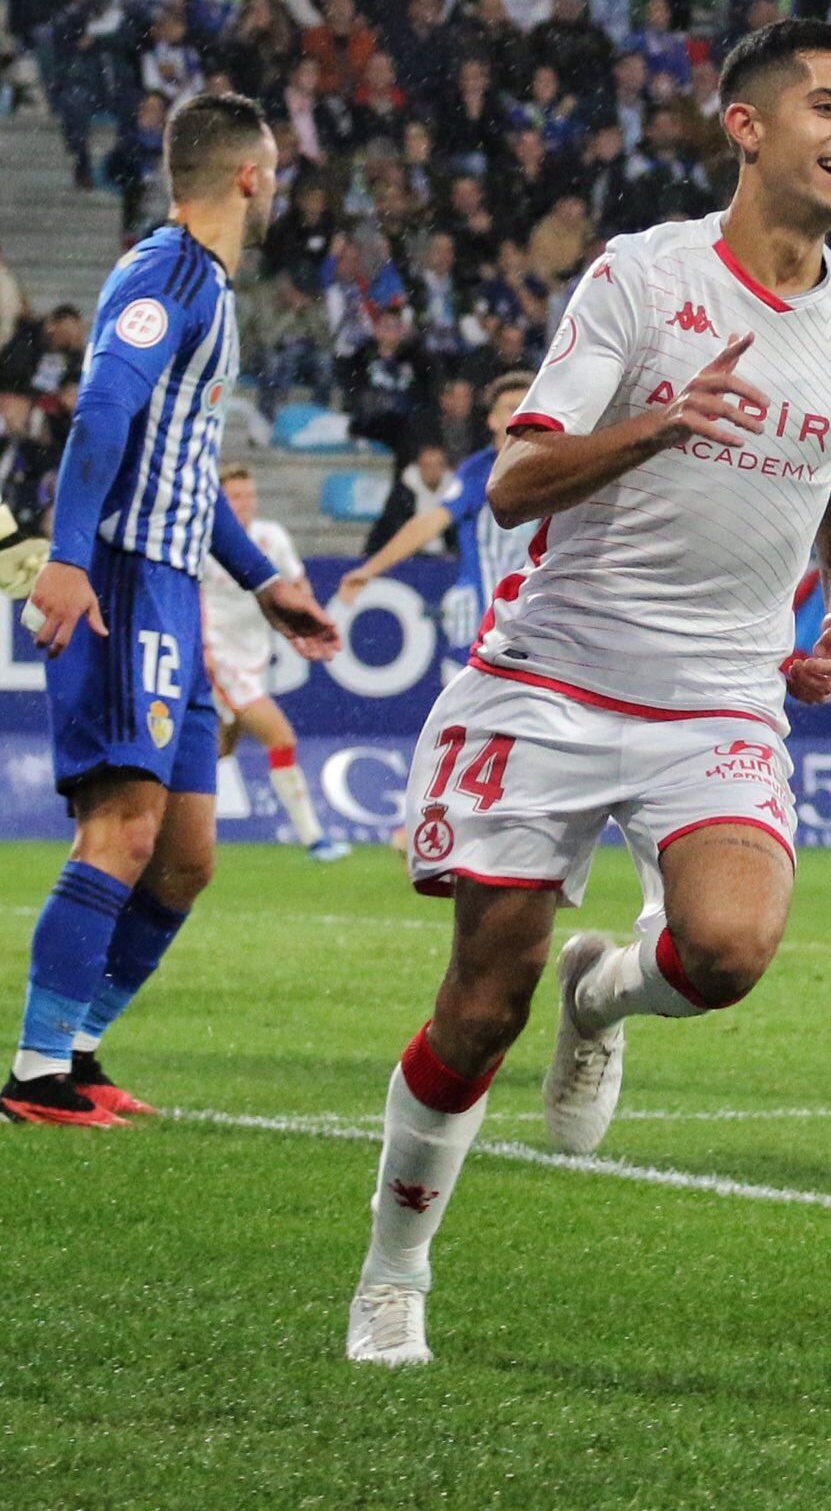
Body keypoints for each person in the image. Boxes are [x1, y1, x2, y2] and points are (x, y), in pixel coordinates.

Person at [347, 20, 831, 1365]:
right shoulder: (644, 279)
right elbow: (517, 480)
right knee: (482, 1002)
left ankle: (605, 998)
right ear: (748, 126)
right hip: (552, 679)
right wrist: (658, 421)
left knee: (725, 952)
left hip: (720, 696)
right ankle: (395, 1270)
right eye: (828, 105)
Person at [7, 93, 338, 1127]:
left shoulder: (209, 288)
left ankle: (81, 1048)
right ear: (249, 175)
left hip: (176, 588)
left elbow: (183, 474)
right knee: (124, 824)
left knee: (186, 855)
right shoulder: (167, 274)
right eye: (274, 169)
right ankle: (33, 1072)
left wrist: (265, 582)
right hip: (120, 579)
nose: (277, 185)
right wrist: (63, 560)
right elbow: (102, 407)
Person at [335, 371, 540, 655]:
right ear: (492, 421)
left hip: (538, 623)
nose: (521, 415)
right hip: (483, 622)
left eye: (528, 408)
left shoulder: (554, 473)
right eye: (511, 408)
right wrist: (370, 569)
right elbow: (430, 522)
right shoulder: (478, 472)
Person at [203, 463, 349, 861]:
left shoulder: (271, 536)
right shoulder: (205, 542)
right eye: (234, 497)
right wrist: (202, 653)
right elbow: (191, 598)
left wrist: (308, 612)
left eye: (248, 495)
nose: (244, 503)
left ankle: (163, 819)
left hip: (254, 659)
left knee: (215, 750)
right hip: (220, 660)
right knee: (281, 738)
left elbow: (294, 583)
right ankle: (314, 839)